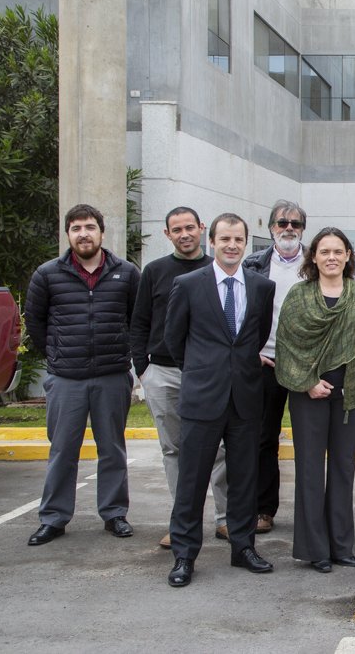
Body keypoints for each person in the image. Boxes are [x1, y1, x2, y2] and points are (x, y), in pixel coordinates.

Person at [165, 213, 276, 587]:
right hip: (202, 398)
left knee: (244, 479)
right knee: (192, 481)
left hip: (245, 398)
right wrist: (203, 371)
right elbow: (175, 339)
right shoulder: (188, 284)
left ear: (247, 244)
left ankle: (243, 548)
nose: (232, 245)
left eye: (239, 239)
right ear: (211, 241)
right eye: (225, 238)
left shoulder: (262, 287)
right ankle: (184, 555)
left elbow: (256, 336)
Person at [24, 204, 141, 546]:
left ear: (102, 233)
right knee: (62, 450)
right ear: (68, 234)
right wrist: (57, 356)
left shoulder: (126, 272)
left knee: (113, 449)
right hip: (66, 379)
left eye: (90, 227)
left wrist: (127, 357)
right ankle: (54, 518)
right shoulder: (47, 274)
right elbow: (35, 321)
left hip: (111, 375)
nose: (83, 234)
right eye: (76, 228)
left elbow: (136, 319)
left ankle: (114, 514)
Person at [276, 228, 355, 573]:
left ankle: (341, 545)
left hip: (350, 390)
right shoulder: (299, 295)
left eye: (338, 251)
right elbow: (287, 346)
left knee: (343, 468)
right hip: (308, 390)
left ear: (349, 255)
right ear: (314, 257)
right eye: (325, 252)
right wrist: (307, 383)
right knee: (309, 468)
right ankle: (315, 549)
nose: (332, 257)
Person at [130, 206, 229, 549]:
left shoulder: (218, 269)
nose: (185, 234)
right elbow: (140, 320)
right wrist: (142, 367)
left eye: (190, 227)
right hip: (162, 372)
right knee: (174, 449)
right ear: (167, 234)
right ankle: (181, 522)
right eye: (177, 229)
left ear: (202, 229)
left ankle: (225, 519)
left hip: (207, 374)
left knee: (218, 449)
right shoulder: (155, 271)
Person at [243, 200, 308, 534]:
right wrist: (248, 352)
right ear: (270, 228)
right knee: (263, 438)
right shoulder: (253, 265)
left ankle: (311, 516)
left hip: (305, 366)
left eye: (295, 224)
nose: (288, 229)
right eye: (282, 223)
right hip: (265, 363)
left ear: (302, 230)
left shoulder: (316, 262)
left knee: (311, 442)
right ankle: (263, 509)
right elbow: (238, 312)